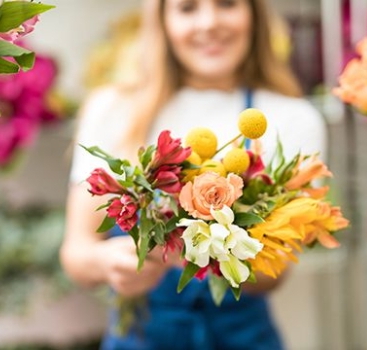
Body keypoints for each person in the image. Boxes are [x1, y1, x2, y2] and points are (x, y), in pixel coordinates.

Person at [61, 0, 326, 349]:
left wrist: (199, 252)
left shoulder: (291, 119)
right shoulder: (113, 109)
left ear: (253, 14)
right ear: (163, 21)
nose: (209, 22)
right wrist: (109, 263)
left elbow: (273, 274)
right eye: (187, 8)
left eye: (227, 4)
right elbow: (76, 254)